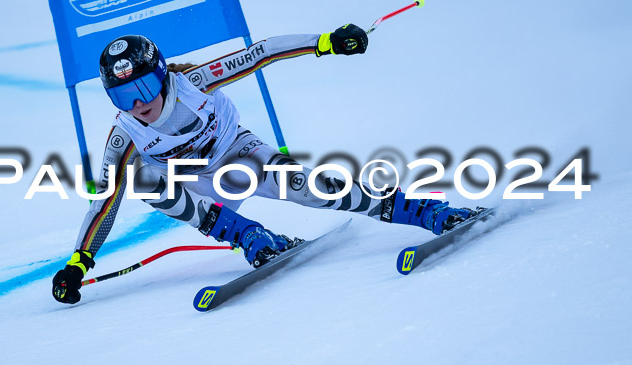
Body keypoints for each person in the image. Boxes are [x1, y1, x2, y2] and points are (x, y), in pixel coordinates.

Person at [52, 25, 475, 304]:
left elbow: (260, 53)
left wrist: (324, 42)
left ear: (162, 75)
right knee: (142, 181)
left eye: (143, 87)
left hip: (238, 156)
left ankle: (422, 210)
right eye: (124, 97)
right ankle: (250, 235)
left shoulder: (195, 82)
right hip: (198, 191)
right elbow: (105, 201)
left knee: (312, 191)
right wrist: (79, 261)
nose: (139, 103)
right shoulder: (126, 135)